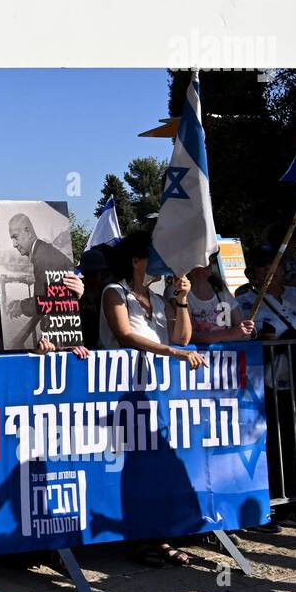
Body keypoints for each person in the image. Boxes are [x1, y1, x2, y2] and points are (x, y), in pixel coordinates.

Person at [98, 230, 206, 567]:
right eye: (153, 256)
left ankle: (157, 535)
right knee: (135, 469)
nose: (161, 263)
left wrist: (182, 300)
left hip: (155, 392)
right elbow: (124, 335)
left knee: (157, 467)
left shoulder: (159, 300)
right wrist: (171, 351)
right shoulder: (114, 293)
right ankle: (138, 538)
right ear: (136, 261)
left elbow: (182, 336)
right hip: (123, 394)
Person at [6, 212, 78, 348]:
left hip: (67, 334)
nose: (14, 244)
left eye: (15, 237)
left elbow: (44, 301)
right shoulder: (42, 251)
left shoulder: (42, 257)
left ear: (27, 231)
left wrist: (21, 306)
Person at [187, 259, 255, 345]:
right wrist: (231, 334)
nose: (208, 263)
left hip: (227, 354)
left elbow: (244, 332)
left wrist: (245, 329)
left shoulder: (221, 291)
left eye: (210, 260)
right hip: (197, 354)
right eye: (202, 259)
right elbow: (190, 336)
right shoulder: (182, 294)